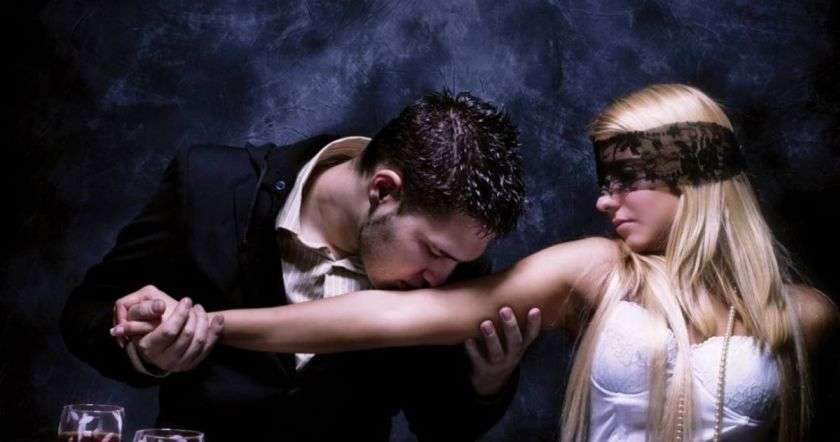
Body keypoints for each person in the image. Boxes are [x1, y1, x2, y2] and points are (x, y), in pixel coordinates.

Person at [115, 83, 839, 441]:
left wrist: (486, 379)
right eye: (604, 179)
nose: (603, 200)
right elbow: (390, 318)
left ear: (697, 183)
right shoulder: (595, 269)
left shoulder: (808, 316)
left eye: (627, 179)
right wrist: (207, 323)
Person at [63, 91, 540, 440]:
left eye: (456, 262)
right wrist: (146, 351)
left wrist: (487, 381)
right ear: (383, 190)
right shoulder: (209, 184)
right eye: (433, 252)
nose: (441, 278)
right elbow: (85, 312)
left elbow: (441, 428)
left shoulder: (451, 264)